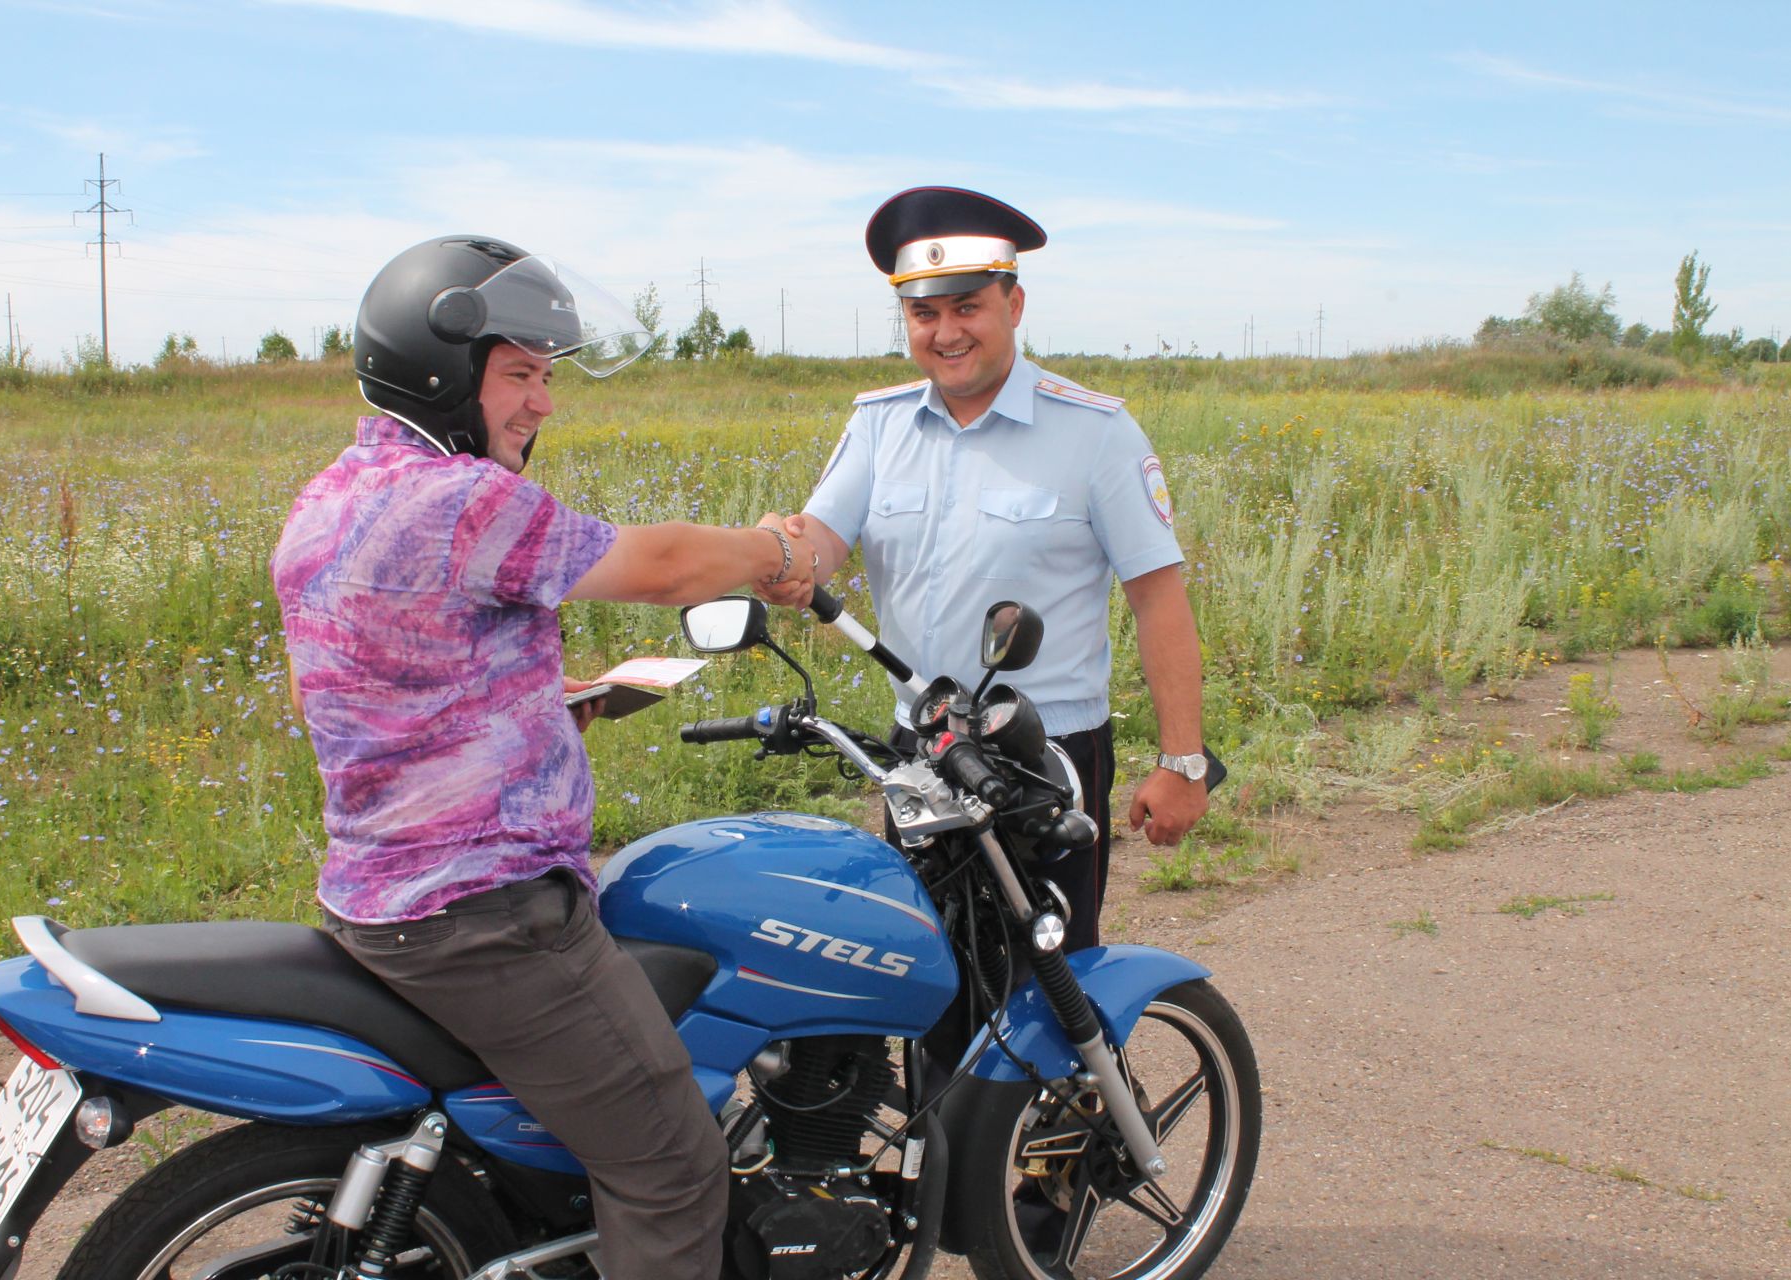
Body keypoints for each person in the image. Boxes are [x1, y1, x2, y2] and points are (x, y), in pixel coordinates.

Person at [272, 235, 818, 1280]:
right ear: (440, 375)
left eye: (548, 376)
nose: (543, 403)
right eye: (520, 373)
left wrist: (552, 709)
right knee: (674, 1167)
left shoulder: (330, 499)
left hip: (380, 894)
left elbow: (379, 691)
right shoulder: (462, 499)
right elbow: (658, 566)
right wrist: (776, 551)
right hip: (489, 915)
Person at [759, 187, 1207, 953]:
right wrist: (777, 551)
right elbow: (819, 544)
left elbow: (1158, 600)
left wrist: (1183, 765)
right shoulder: (880, 425)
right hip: (921, 757)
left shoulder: (1095, 432)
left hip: (1043, 759)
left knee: (1052, 985)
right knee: (925, 978)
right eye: (923, 314)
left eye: (967, 306)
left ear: (1014, 304)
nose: (946, 332)